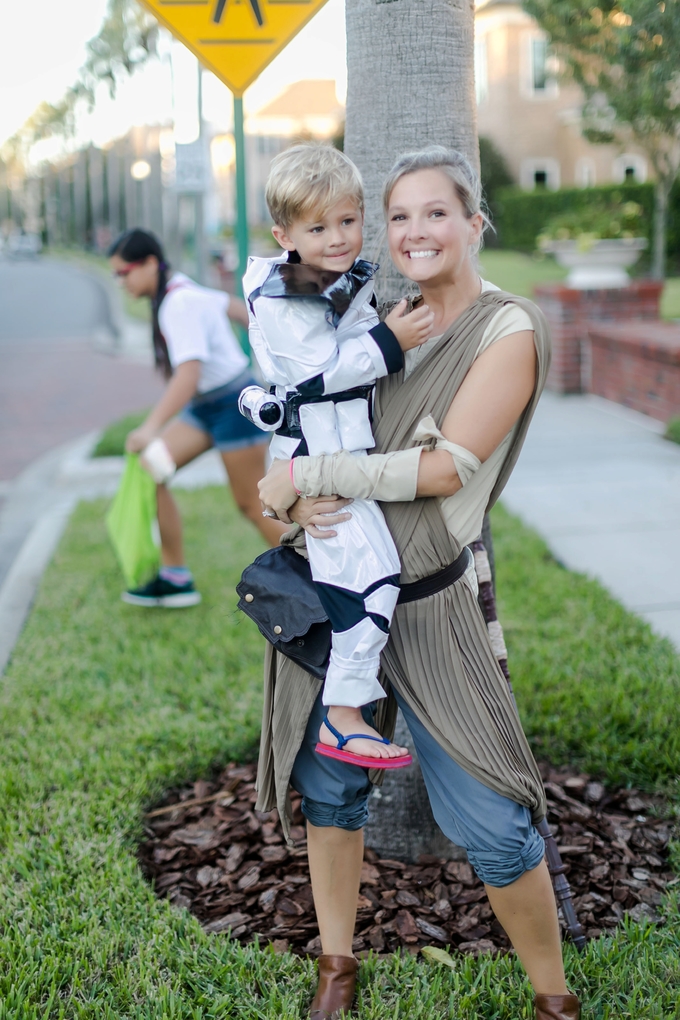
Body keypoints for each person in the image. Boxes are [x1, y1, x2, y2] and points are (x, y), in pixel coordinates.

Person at [257, 147, 581, 1020]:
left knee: (491, 820)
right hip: (336, 596)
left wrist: (312, 474)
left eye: (435, 212)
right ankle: (336, 966)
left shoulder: (506, 331)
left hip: (432, 606)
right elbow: (296, 424)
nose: (414, 231)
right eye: (399, 216)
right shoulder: (378, 318)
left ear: (474, 221)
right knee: (330, 785)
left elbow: (445, 470)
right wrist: (284, 497)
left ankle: (554, 999)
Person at [242, 145, 434, 766]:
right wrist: (389, 340)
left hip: (339, 455)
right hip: (318, 458)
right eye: (318, 228)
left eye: (347, 222)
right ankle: (343, 715)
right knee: (371, 583)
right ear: (284, 235)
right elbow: (317, 373)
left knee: (370, 580)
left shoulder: (321, 281)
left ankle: (346, 713)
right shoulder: (281, 294)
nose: (337, 239)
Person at [108, 229, 283, 608]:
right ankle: (176, 579)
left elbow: (188, 375)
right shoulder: (178, 290)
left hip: (233, 404)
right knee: (152, 467)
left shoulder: (177, 304)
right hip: (205, 406)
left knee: (252, 504)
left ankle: (314, 578)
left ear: (150, 264)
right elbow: (235, 307)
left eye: (125, 273)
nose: (121, 282)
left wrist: (150, 428)